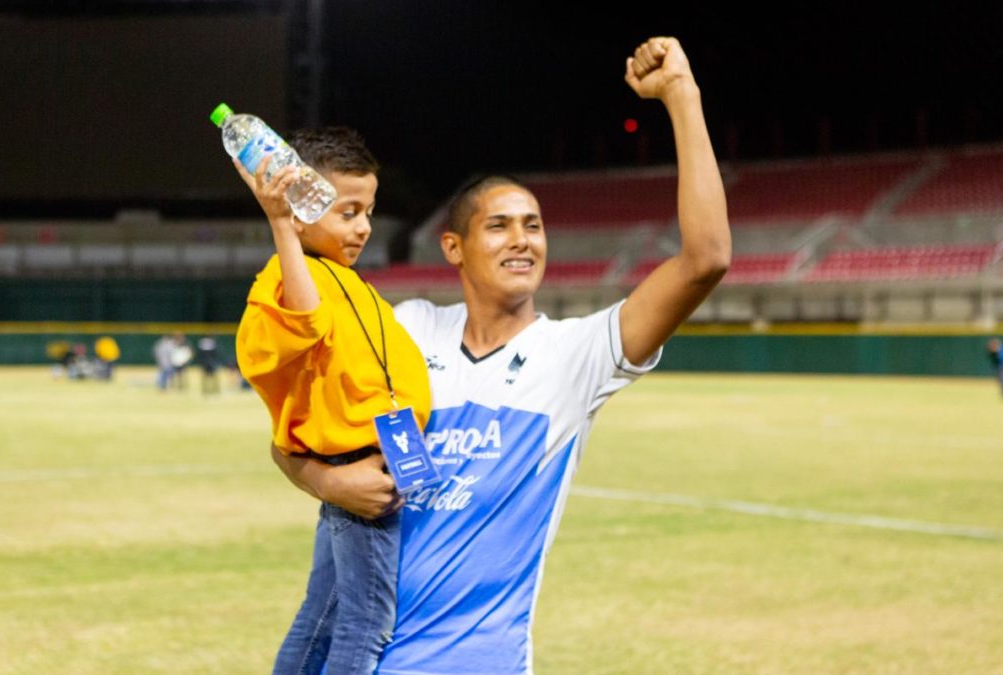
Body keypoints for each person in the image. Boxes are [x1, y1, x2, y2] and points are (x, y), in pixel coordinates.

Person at [269, 36, 729, 674]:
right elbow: (291, 436)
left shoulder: (575, 357)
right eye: (499, 225)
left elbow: (705, 260)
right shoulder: (401, 329)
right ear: (452, 247)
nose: (523, 239)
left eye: (534, 225)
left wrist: (682, 95)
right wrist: (327, 481)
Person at [233, 128, 432, 675]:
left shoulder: (349, 281)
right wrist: (281, 226)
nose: (365, 226)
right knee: (366, 627)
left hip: (374, 460)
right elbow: (305, 320)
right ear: (303, 210)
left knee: (322, 618)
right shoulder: (292, 276)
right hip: (358, 466)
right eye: (347, 212)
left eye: (368, 211)